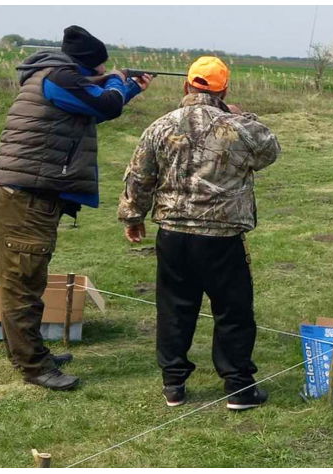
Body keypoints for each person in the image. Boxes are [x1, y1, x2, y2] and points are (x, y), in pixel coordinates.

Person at [0, 25, 153, 390]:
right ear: (86, 65)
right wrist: (119, 83)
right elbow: (104, 104)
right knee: (23, 284)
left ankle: (29, 354)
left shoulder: (55, 78)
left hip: (26, 195)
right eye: (99, 68)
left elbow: (94, 105)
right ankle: (34, 367)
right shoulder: (59, 78)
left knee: (26, 279)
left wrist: (127, 88)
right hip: (25, 198)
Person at [118, 56, 281, 410]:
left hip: (173, 234)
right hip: (222, 237)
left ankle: (173, 384)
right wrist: (243, 116)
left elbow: (139, 175)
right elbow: (270, 150)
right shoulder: (237, 127)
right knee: (233, 310)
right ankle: (238, 387)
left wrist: (132, 216)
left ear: (186, 86)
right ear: (224, 89)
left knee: (175, 308)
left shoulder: (160, 127)